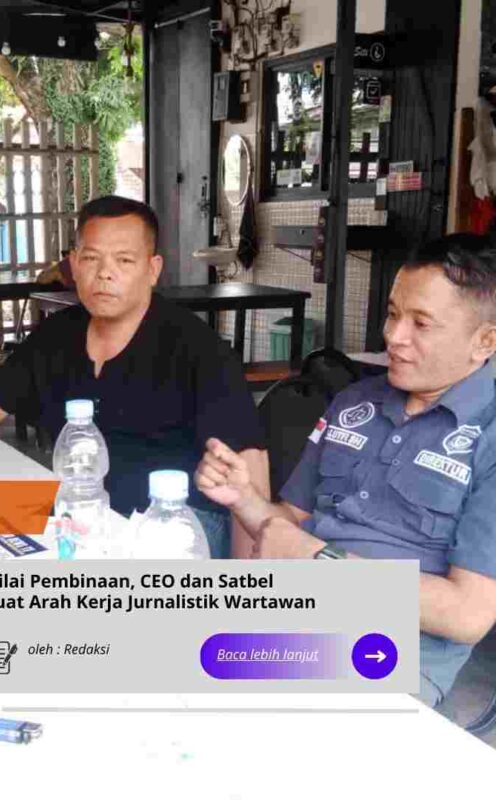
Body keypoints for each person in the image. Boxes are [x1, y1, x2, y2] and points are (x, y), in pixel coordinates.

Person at [195, 233, 496, 707]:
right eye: (393, 314)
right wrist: (245, 499)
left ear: (485, 341)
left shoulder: (489, 435)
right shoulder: (356, 401)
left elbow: (467, 614)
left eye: (421, 323)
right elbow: (289, 525)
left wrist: (318, 561)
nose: (394, 336)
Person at [0, 195, 269, 557]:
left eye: (124, 260)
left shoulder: (198, 349)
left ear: (153, 269)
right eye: (91, 258)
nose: (105, 273)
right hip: (81, 513)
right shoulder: (57, 335)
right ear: (73, 265)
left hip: (175, 529)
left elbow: (248, 469)